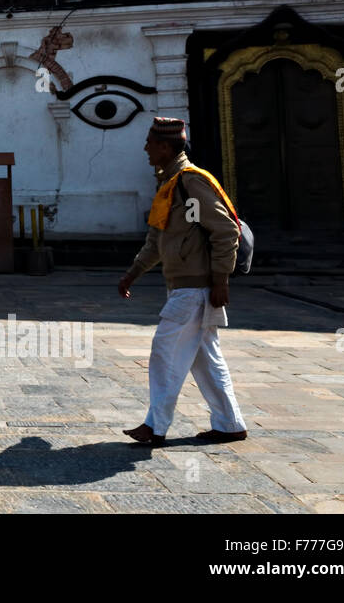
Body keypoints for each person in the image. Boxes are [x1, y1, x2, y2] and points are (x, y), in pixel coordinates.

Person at [118, 117, 247, 446]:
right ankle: (230, 423)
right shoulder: (169, 185)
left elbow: (225, 230)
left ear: (165, 146)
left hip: (195, 288)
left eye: (149, 142)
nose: (145, 148)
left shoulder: (191, 182)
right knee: (206, 361)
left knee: (165, 352)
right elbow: (156, 241)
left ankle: (154, 426)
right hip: (184, 285)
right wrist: (133, 273)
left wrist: (221, 280)